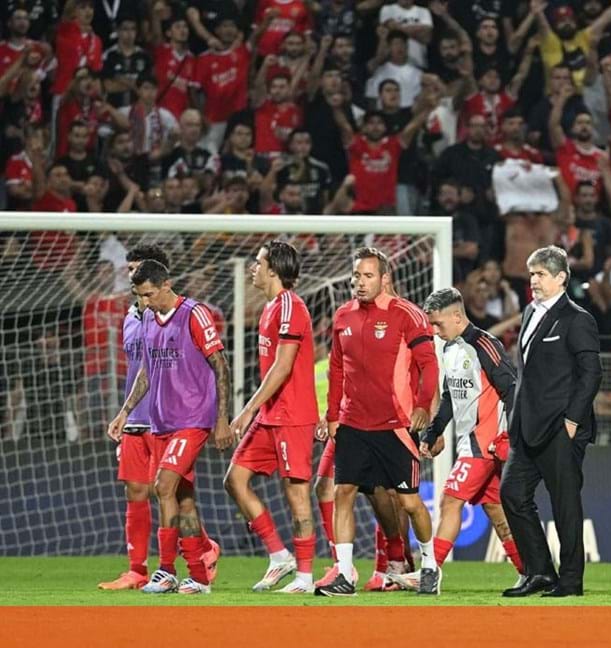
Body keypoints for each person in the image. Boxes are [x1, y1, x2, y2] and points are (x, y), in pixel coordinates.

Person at [313, 247, 439, 597]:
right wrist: (333, 415)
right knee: (343, 494)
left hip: (395, 424)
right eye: (356, 276)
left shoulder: (407, 314)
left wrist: (423, 406)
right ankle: (344, 574)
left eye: (368, 276)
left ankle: (429, 565)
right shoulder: (342, 316)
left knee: (410, 502)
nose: (359, 283)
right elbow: (337, 368)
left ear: (385, 278)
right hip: (353, 423)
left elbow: (429, 365)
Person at [106, 260, 232, 594]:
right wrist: (125, 411)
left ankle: (165, 570)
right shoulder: (147, 316)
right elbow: (146, 371)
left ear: (165, 284)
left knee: (162, 486)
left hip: (193, 420)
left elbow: (220, 365)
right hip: (162, 421)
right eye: (139, 295)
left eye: (148, 294)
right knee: (183, 499)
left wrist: (221, 419)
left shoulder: (194, 313)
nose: (144, 302)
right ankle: (200, 577)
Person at [500, 246, 602, 598]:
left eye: (541, 274)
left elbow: (591, 374)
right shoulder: (529, 312)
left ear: (561, 278)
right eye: (532, 274)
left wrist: (573, 421)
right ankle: (540, 572)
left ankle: (571, 582)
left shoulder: (578, 319)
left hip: (561, 428)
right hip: (526, 428)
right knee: (511, 494)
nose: (534, 281)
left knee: (565, 505)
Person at [223, 241, 318, 594]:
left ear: (274, 269)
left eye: (258, 262)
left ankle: (305, 577)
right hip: (270, 415)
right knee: (235, 480)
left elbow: (283, 366)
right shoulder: (269, 308)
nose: (253, 267)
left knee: (297, 497)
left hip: (292, 416)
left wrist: (247, 409)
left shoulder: (292, 306)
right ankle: (280, 556)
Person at [418, 288, 526, 593]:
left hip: (486, 441)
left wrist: (510, 435)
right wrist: (433, 431)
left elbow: (511, 388)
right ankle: (529, 570)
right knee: (496, 511)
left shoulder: (483, 344)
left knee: (451, 500)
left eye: (438, 324)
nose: (435, 332)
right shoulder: (450, 349)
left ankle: (430, 570)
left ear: (457, 316)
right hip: (470, 440)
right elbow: (452, 397)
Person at [98, 244, 171, 591]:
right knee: (135, 491)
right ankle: (137, 570)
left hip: (167, 417)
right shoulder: (130, 315)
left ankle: (200, 550)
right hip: (136, 417)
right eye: (128, 269)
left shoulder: (173, 313)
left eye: (138, 268)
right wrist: (124, 412)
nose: (131, 275)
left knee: (170, 493)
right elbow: (137, 368)